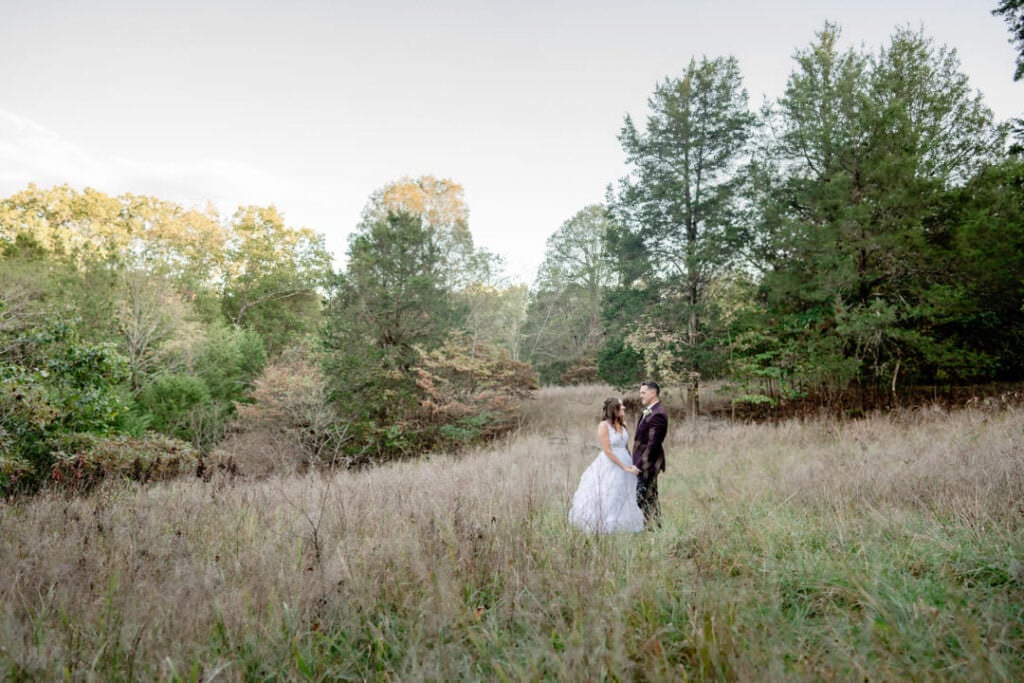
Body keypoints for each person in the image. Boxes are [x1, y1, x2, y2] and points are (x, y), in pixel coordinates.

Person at [568, 397, 645, 534]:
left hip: (626, 461)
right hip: (611, 463)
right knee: (609, 492)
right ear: (613, 409)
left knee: (625, 493)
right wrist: (623, 466)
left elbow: (626, 447)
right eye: (621, 406)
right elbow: (607, 450)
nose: (624, 408)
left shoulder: (624, 425)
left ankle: (623, 525)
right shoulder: (604, 425)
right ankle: (606, 525)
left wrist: (631, 464)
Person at [633, 380, 668, 528]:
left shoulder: (658, 414)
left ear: (653, 393)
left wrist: (640, 465)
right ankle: (656, 526)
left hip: (649, 465)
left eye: (643, 392)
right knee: (650, 498)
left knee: (642, 498)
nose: (640, 395)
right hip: (644, 463)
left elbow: (653, 444)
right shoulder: (649, 410)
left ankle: (650, 527)